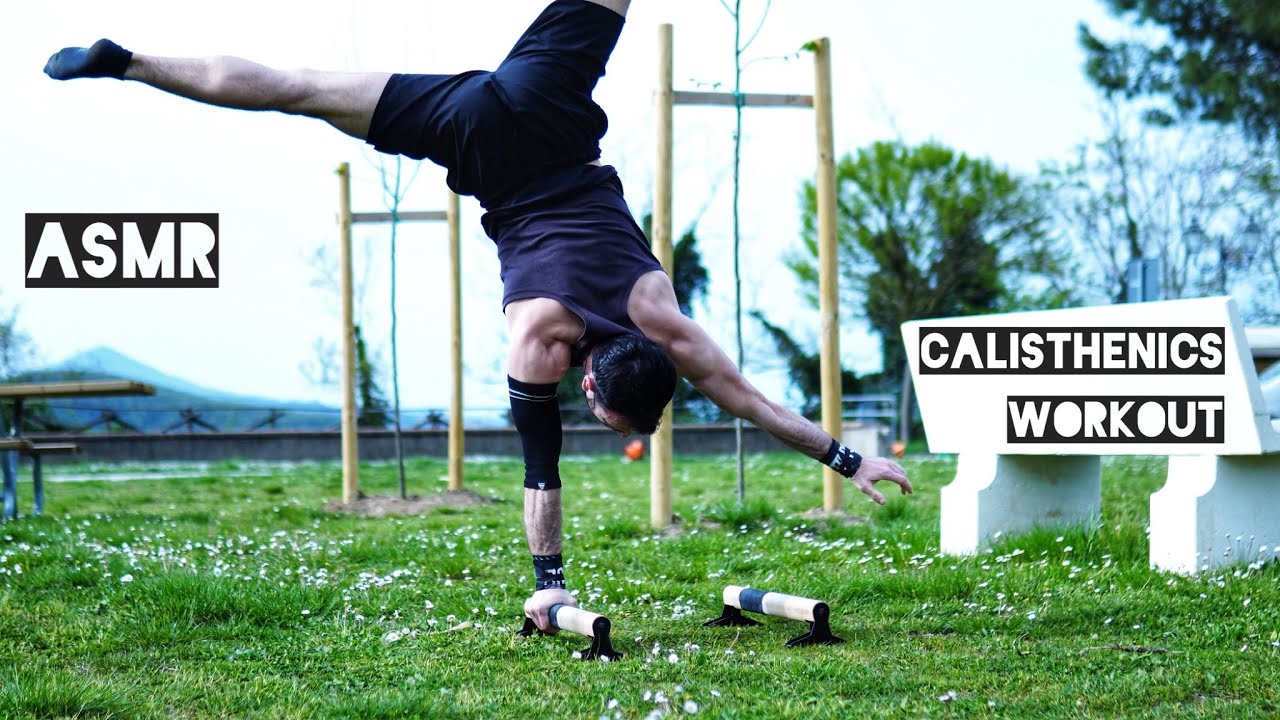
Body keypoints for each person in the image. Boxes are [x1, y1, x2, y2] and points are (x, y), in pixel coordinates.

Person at [45, 0, 912, 635]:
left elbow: (754, 402)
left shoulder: (664, 317)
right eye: (600, 414)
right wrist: (551, 582)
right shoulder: (538, 336)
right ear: (588, 373)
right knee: (302, 93)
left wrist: (850, 455)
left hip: (545, 106)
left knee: (304, 83)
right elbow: (544, 476)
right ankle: (135, 69)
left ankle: (128, 60)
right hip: (475, 138)